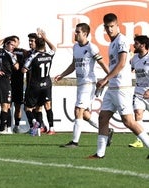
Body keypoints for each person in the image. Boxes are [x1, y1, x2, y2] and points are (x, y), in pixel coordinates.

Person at [88, 13, 149, 159]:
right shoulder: (112, 43)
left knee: (128, 121)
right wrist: (107, 82)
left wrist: (105, 79)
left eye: (112, 26)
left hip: (122, 88)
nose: (109, 30)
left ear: (117, 25)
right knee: (103, 118)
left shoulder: (122, 40)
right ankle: (100, 153)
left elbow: (122, 63)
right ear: (104, 27)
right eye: (107, 27)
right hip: (113, 88)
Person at [54, 23, 113, 148]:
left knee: (78, 110)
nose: (75, 34)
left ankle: (74, 142)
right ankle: (107, 131)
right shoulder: (75, 47)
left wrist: (109, 77)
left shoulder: (92, 47)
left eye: (78, 32)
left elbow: (102, 63)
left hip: (89, 83)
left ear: (85, 34)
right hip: (80, 84)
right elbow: (73, 65)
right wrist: (62, 75)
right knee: (85, 115)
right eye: (75, 31)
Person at [22, 30, 56, 136]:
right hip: (46, 84)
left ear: (36, 44)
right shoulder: (49, 54)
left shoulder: (33, 56)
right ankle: (51, 128)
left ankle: (35, 123)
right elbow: (54, 48)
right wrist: (45, 37)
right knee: (45, 106)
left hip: (35, 85)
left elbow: (24, 70)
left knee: (28, 107)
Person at [0, 37, 19, 134]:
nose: (12, 47)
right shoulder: (9, 54)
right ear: (6, 44)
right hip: (5, 81)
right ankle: (2, 129)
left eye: (14, 46)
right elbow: (17, 67)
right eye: (11, 45)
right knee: (5, 105)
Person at [128, 35, 149, 148]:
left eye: (136, 43)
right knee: (138, 113)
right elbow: (127, 70)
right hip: (139, 92)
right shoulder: (135, 58)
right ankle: (139, 141)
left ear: (143, 45)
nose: (134, 45)